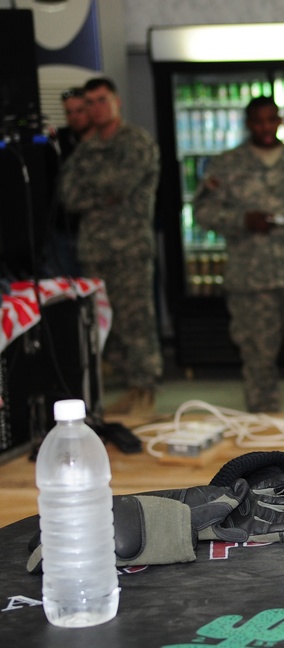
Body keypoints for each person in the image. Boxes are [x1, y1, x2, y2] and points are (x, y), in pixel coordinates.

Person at [194, 96, 284, 413]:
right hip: (251, 283)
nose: (265, 127)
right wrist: (242, 221)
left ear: (280, 121)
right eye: (257, 121)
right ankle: (264, 438)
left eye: (271, 120)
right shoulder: (227, 165)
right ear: (247, 124)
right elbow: (203, 211)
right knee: (258, 362)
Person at [60, 77, 161, 416]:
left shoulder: (135, 142)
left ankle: (144, 390)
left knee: (137, 323)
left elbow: (119, 183)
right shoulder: (86, 148)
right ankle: (127, 387)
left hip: (129, 249)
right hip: (95, 251)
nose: (95, 108)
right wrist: (100, 195)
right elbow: (68, 197)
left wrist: (97, 190)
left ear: (116, 101)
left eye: (101, 100)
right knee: (107, 324)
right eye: (89, 103)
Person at [47, 87, 94, 277]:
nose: (74, 117)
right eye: (69, 112)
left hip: (94, 232)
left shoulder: (103, 141)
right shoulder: (57, 142)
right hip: (62, 231)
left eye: (79, 111)